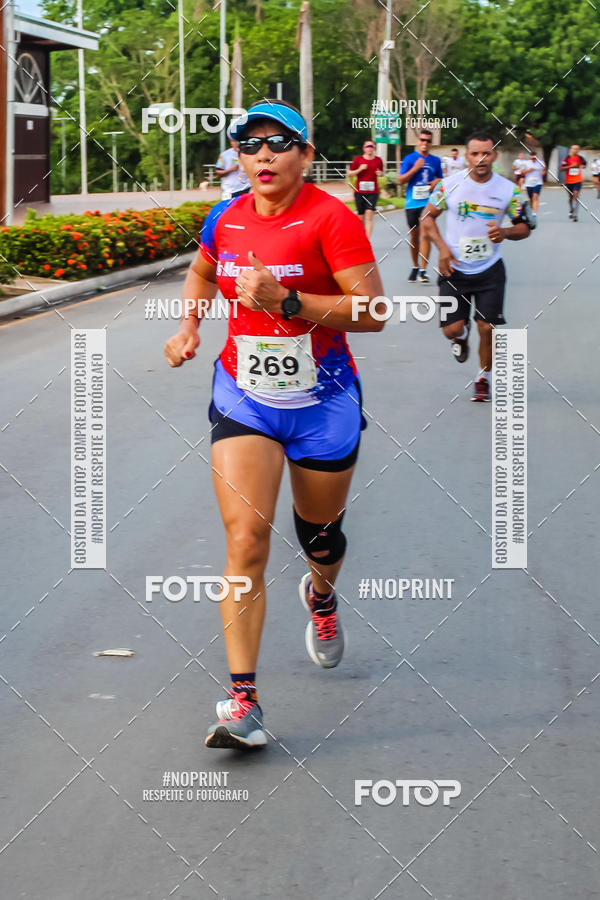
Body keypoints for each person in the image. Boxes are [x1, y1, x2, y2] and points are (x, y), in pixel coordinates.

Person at [164, 100, 385, 751]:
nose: (263, 154)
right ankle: (244, 703)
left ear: (304, 156)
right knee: (246, 540)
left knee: (320, 537)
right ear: (239, 155)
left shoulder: (331, 220)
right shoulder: (225, 219)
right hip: (245, 399)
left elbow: (372, 311)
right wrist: (189, 326)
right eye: (250, 144)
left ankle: (320, 595)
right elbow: (203, 269)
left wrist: (286, 301)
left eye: (278, 143)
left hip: (324, 402)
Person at [420, 131, 531, 402]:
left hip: (490, 269)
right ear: (467, 155)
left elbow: (525, 227)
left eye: (486, 153)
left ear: (494, 155)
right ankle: (462, 335)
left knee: (487, 328)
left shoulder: (509, 190)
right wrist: (443, 248)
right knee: (452, 330)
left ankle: (483, 378)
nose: (481, 159)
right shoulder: (449, 185)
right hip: (454, 269)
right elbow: (427, 216)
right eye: (475, 153)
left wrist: (505, 233)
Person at [398, 129, 443, 283]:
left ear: (431, 144)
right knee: (414, 236)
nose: (425, 143)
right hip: (412, 202)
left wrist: (437, 182)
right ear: (418, 141)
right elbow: (400, 180)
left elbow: (441, 180)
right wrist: (415, 168)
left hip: (427, 203)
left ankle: (423, 270)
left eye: (428, 141)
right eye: (423, 140)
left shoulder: (436, 161)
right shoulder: (410, 158)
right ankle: (415, 266)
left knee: (426, 233)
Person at [348, 140, 384, 239]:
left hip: (373, 192)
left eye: (372, 146)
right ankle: (361, 236)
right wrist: (359, 169)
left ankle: (366, 240)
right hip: (359, 192)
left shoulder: (378, 160)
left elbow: (382, 173)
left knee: (369, 215)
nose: (370, 148)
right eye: (368, 146)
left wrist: (380, 174)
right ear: (364, 148)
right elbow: (349, 173)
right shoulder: (358, 160)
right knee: (360, 217)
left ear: (374, 148)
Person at [215, 130, 251, 200]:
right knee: (228, 209)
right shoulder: (224, 155)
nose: (236, 143)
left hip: (246, 188)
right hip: (229, 191)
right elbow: (218, 173)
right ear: (231, 142)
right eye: (234, 141)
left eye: (238, 141)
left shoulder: (249, 154)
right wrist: (230, 170)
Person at [560, 145, 587, 221]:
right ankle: (571, 209)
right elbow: (562, 168)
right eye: (573, 149)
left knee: (576, 196)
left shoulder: (581, 158)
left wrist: (581, 166)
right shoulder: (566, 158)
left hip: (578, 180)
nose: (575, 150)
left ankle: (575, 214)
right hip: (568, 181)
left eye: (577, 149)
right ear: (571, 149)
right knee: (570, 197)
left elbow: (584, 165)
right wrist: (571, 166)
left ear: (578, 150)